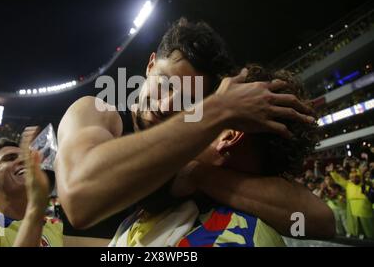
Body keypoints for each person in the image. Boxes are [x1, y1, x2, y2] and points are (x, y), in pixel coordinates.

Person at [56, 18, 335, 246]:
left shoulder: (189, 156)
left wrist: (197, 174)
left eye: (186, 100)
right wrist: (220, 109)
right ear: (150, 65)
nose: (165, 105)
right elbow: (80, 199)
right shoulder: (96, 113)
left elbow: (321, 219)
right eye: (164, 82)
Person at [109, 65, 323, 246]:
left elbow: (322, 220)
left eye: (196, 108)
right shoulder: (182, 203)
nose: (173, 112)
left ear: (229, 136)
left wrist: (195, 173)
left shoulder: (223, 235)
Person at [330, 163, 373, 239]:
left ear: (360, 177)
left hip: (366, 212)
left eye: (356, 177)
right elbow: (339, 179)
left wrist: (361, 172)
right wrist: (332, 172)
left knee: (370, 232)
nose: (354, 179)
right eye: (352, 177)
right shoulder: (348, 184)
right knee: (358, 233)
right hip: (353, 212)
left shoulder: (367, 183)